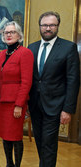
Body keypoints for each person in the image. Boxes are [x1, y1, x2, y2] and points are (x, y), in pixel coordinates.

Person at [28, 11, 80, 167]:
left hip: (55, 106)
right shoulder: (32, 48)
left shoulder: (68, 47)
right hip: (35, 105)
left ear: (57, 26)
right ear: (40, 27)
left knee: (49, 143)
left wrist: (68, 109)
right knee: (40, 141)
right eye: (44, 25)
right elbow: (29, 78)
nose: (47, 28)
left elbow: (73, 80)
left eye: (51, 25)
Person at [0, 21, 34, 167]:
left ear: (19, 35)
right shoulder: (3, 54)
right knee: (5, 135)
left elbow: (26, 82)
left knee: (15, 137)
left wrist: (19, 104)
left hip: (15, 103)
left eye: (12, 32)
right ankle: (9, 164)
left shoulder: (25, 53)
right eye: (6, 32)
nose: (9, 35)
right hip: (2, 101)